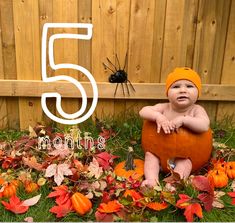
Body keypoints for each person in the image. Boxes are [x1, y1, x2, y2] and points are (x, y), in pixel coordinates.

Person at [139, 67, 210, 187]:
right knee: (150, 156)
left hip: (184, 155)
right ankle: (151, 181)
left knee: (185, 164)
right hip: (159, 154)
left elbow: (204, 125)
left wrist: (184, 120)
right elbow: (143, 111)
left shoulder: (196, 110)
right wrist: (158, 117)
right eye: (176, 87)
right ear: (167, 93)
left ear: (198, 93)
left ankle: (174, 183)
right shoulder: (164, 107)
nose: (182, 90)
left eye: (189, 86)